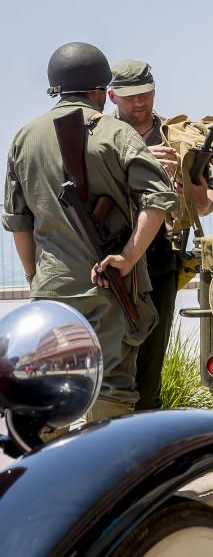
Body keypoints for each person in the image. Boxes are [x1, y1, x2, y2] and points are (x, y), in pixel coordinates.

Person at [3, 43, 176, 419]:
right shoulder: (118, 134)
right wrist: (128, 258)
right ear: (101, 91)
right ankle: (107, 476)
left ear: (55, 89)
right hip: (110, 288)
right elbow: (159, 200)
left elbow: (18, 222)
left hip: (53, 290)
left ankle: (50, 473)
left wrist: (36, 276)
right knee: (111, 389)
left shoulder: (23, 138)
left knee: (52, 385)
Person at [108, 59, 213, 410]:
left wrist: (185, 184)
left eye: (145, 94)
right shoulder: (101, 136)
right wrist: (139, 161)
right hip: (113, 260)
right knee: (112, 362)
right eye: (129, 97)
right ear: (112, 96)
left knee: (150, 364)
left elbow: (207, 203)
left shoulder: (178, 136)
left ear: (154, 91)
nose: (139, 103)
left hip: (161, 262)